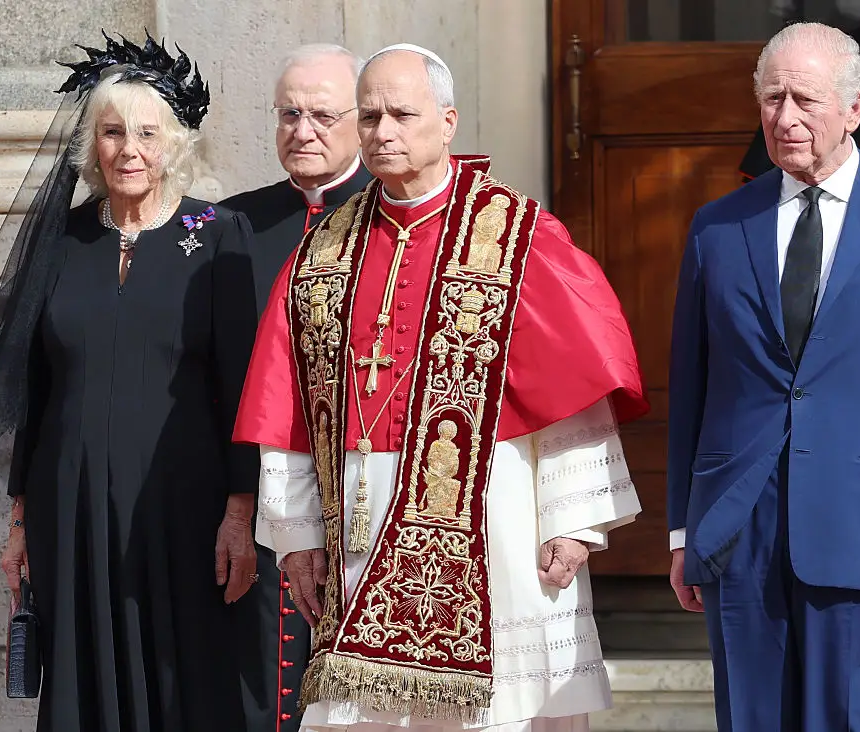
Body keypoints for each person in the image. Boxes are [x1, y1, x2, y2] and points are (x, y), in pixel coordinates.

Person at [232, 43, 649, 732]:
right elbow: (291, 406)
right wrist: (298, 532)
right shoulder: (323, 250)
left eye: (402, 113)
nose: (383, 131)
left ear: (447, 120)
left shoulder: (517, 235)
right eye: (369, 116)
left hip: (499, 519)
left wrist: (574, 520)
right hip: (359, 521)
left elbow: (574, 384)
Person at [668, 22, 860, 732]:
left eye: (804, 99)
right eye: (771, 99)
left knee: (849, 718)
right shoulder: (717, 228)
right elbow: (691, 387)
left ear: (854, 111)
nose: (785, 118)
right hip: (736, 529)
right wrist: (684, 529)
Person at [0, 32, 258, 731]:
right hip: (68, 507)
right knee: (83, 679)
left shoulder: (218, 234)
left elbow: (243, 388)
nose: (129, 149)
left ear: (174, 144)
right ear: (92, 147)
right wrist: (19, 520)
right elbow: (34, 389)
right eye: (112, 132)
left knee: (185, 679)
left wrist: (239, 512)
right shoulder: (66, 239)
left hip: (182, 508)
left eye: (146, 132)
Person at [220, 43, 372, 732]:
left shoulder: (391, 216)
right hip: (257, 497)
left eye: (321, 115)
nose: (301, 130)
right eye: (288, 113)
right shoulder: (229, 225)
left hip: (362, 498)